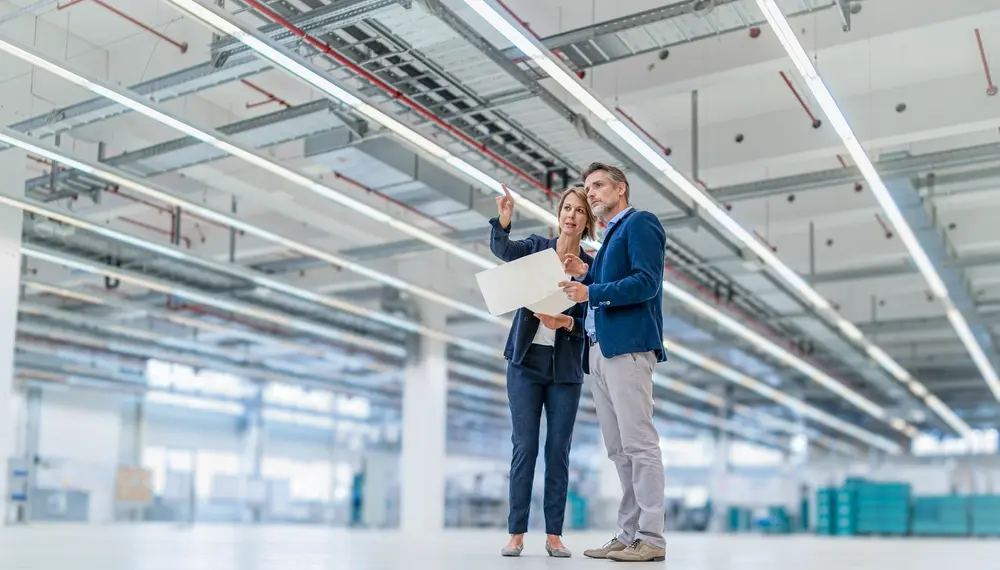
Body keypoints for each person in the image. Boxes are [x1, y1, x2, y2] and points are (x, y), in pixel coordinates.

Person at [560, 162, 667, 563]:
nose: (591, 193)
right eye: (588, 188)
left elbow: (646, 282)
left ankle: (652, 538)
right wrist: (587, 274)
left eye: (598, 185)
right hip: (600, 350)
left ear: (621, 189)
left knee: (640, 445)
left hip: (627, 348)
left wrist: (591, 291)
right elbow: (609, 285)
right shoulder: (609, 238)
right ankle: (628, 534)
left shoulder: (641, 223)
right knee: (619, 450)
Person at [489, 184, 596, 558]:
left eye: (579, 211)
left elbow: (595, 319)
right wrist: (503, 222)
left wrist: (567, 324)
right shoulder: (536, 248)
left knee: (558, 451)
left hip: (565, 369)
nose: (571, 215)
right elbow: (503, 252)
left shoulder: (591, 269)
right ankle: (516, 532)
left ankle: (554, 535)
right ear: (559, 214)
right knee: (525, 447)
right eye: (567, 208)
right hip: (525, 364)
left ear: (587, 221)